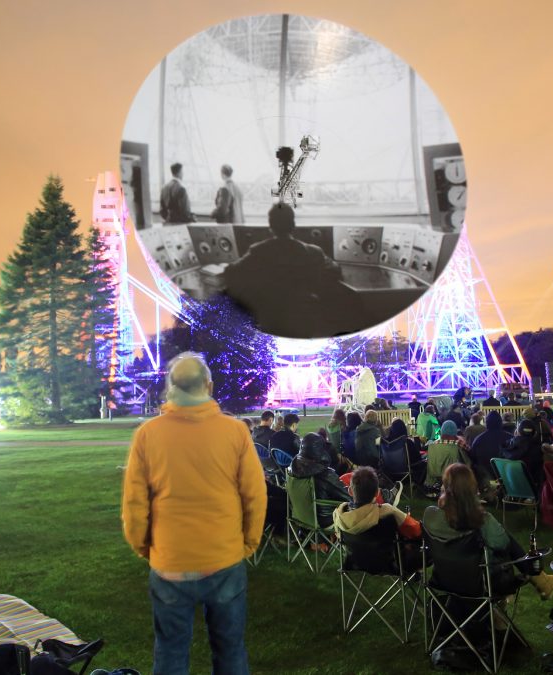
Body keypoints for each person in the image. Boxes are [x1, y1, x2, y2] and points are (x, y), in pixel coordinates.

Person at [121, 352, 266, 674]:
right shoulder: (235, 432)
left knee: (170, 653)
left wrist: (145, 547)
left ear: (170, 387)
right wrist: (248, 543)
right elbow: (254, 496)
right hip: (224, 557)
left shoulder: (148, 434)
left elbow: (134, 503)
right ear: (208, 386)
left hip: (170, 560)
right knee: (230, 651)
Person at [423, 463, 553, 600]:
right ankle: (539, 578)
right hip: (482, 585)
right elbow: (503, 544)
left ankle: (540, 579)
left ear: (445, 485)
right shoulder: (482, 520)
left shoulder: (430, 515)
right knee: (504, 541)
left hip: (444, 581)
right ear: (472, 488)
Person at [221, 203, 344, 337]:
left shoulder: (258, 251)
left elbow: (231, 272)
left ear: (271, 226)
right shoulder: (313, 252)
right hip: (303, 318)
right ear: (293, 225)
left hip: (271, 319)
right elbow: (335, 270)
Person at [288, 434, 351, 527]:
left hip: (299, 518)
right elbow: (349, 499)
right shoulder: (325, 474)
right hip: (325, 520)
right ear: (321, 450)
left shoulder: (291, 468)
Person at [469, 410, 512, 478]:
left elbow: (473, 458)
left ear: (487, 423)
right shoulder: (510, 437)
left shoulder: (479, 439)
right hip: (506, 475)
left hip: (485, 476)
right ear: (500, 422)